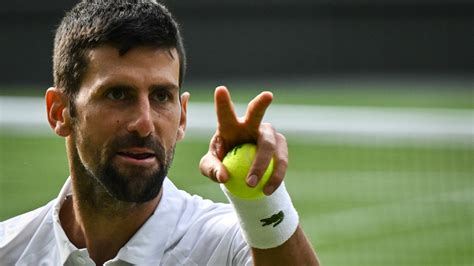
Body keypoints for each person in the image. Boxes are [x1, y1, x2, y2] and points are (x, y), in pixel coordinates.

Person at [0, 0, 320, 265]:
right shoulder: (10, 249)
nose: (145, 123)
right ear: (59, 112)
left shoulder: (228, 244)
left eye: (161, 97)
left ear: (182, 118)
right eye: (117, 94)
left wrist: (262, 201)